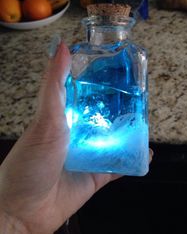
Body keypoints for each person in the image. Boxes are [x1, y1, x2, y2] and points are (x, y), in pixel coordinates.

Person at [0, 38, 153, 234]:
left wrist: (12, 217)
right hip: (83, 155)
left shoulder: (135, 55)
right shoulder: (80, 54)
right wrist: (12, 216)